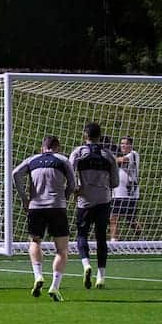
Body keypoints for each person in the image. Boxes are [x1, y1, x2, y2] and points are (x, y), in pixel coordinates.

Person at [12, 135, 76, 302]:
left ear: (43, 147)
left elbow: (15, 174)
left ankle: (38, 275)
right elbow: (73, 184)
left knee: (35, 242)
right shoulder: (62, 160)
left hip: (36, 207)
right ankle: (55, 286)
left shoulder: (32, 160)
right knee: (62, 250)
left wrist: (24, 198)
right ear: (58, 147)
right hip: (57, 206)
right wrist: (66, 196)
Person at [70, 121, 119, 289]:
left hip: (85, 200)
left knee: (82, 234)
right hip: (103, 200)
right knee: (101, 238)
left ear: (86, 135)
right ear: (100, 136)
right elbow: (115, 182)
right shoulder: (108, 155)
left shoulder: (78, 152)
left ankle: (86, 265)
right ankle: (101, 277)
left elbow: (69, 173)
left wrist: (75, 188)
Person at [110, 136, 141, 241]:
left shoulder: (133, 154)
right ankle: (114, 241)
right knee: (114, 217)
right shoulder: (116, 157)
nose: (123, 145)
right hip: (117, 192)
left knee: (130, 220)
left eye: (126, 143)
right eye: (122, 143)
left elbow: (123, 160)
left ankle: (141, 238)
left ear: (131, 145)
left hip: (129, 193)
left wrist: (108, 157)